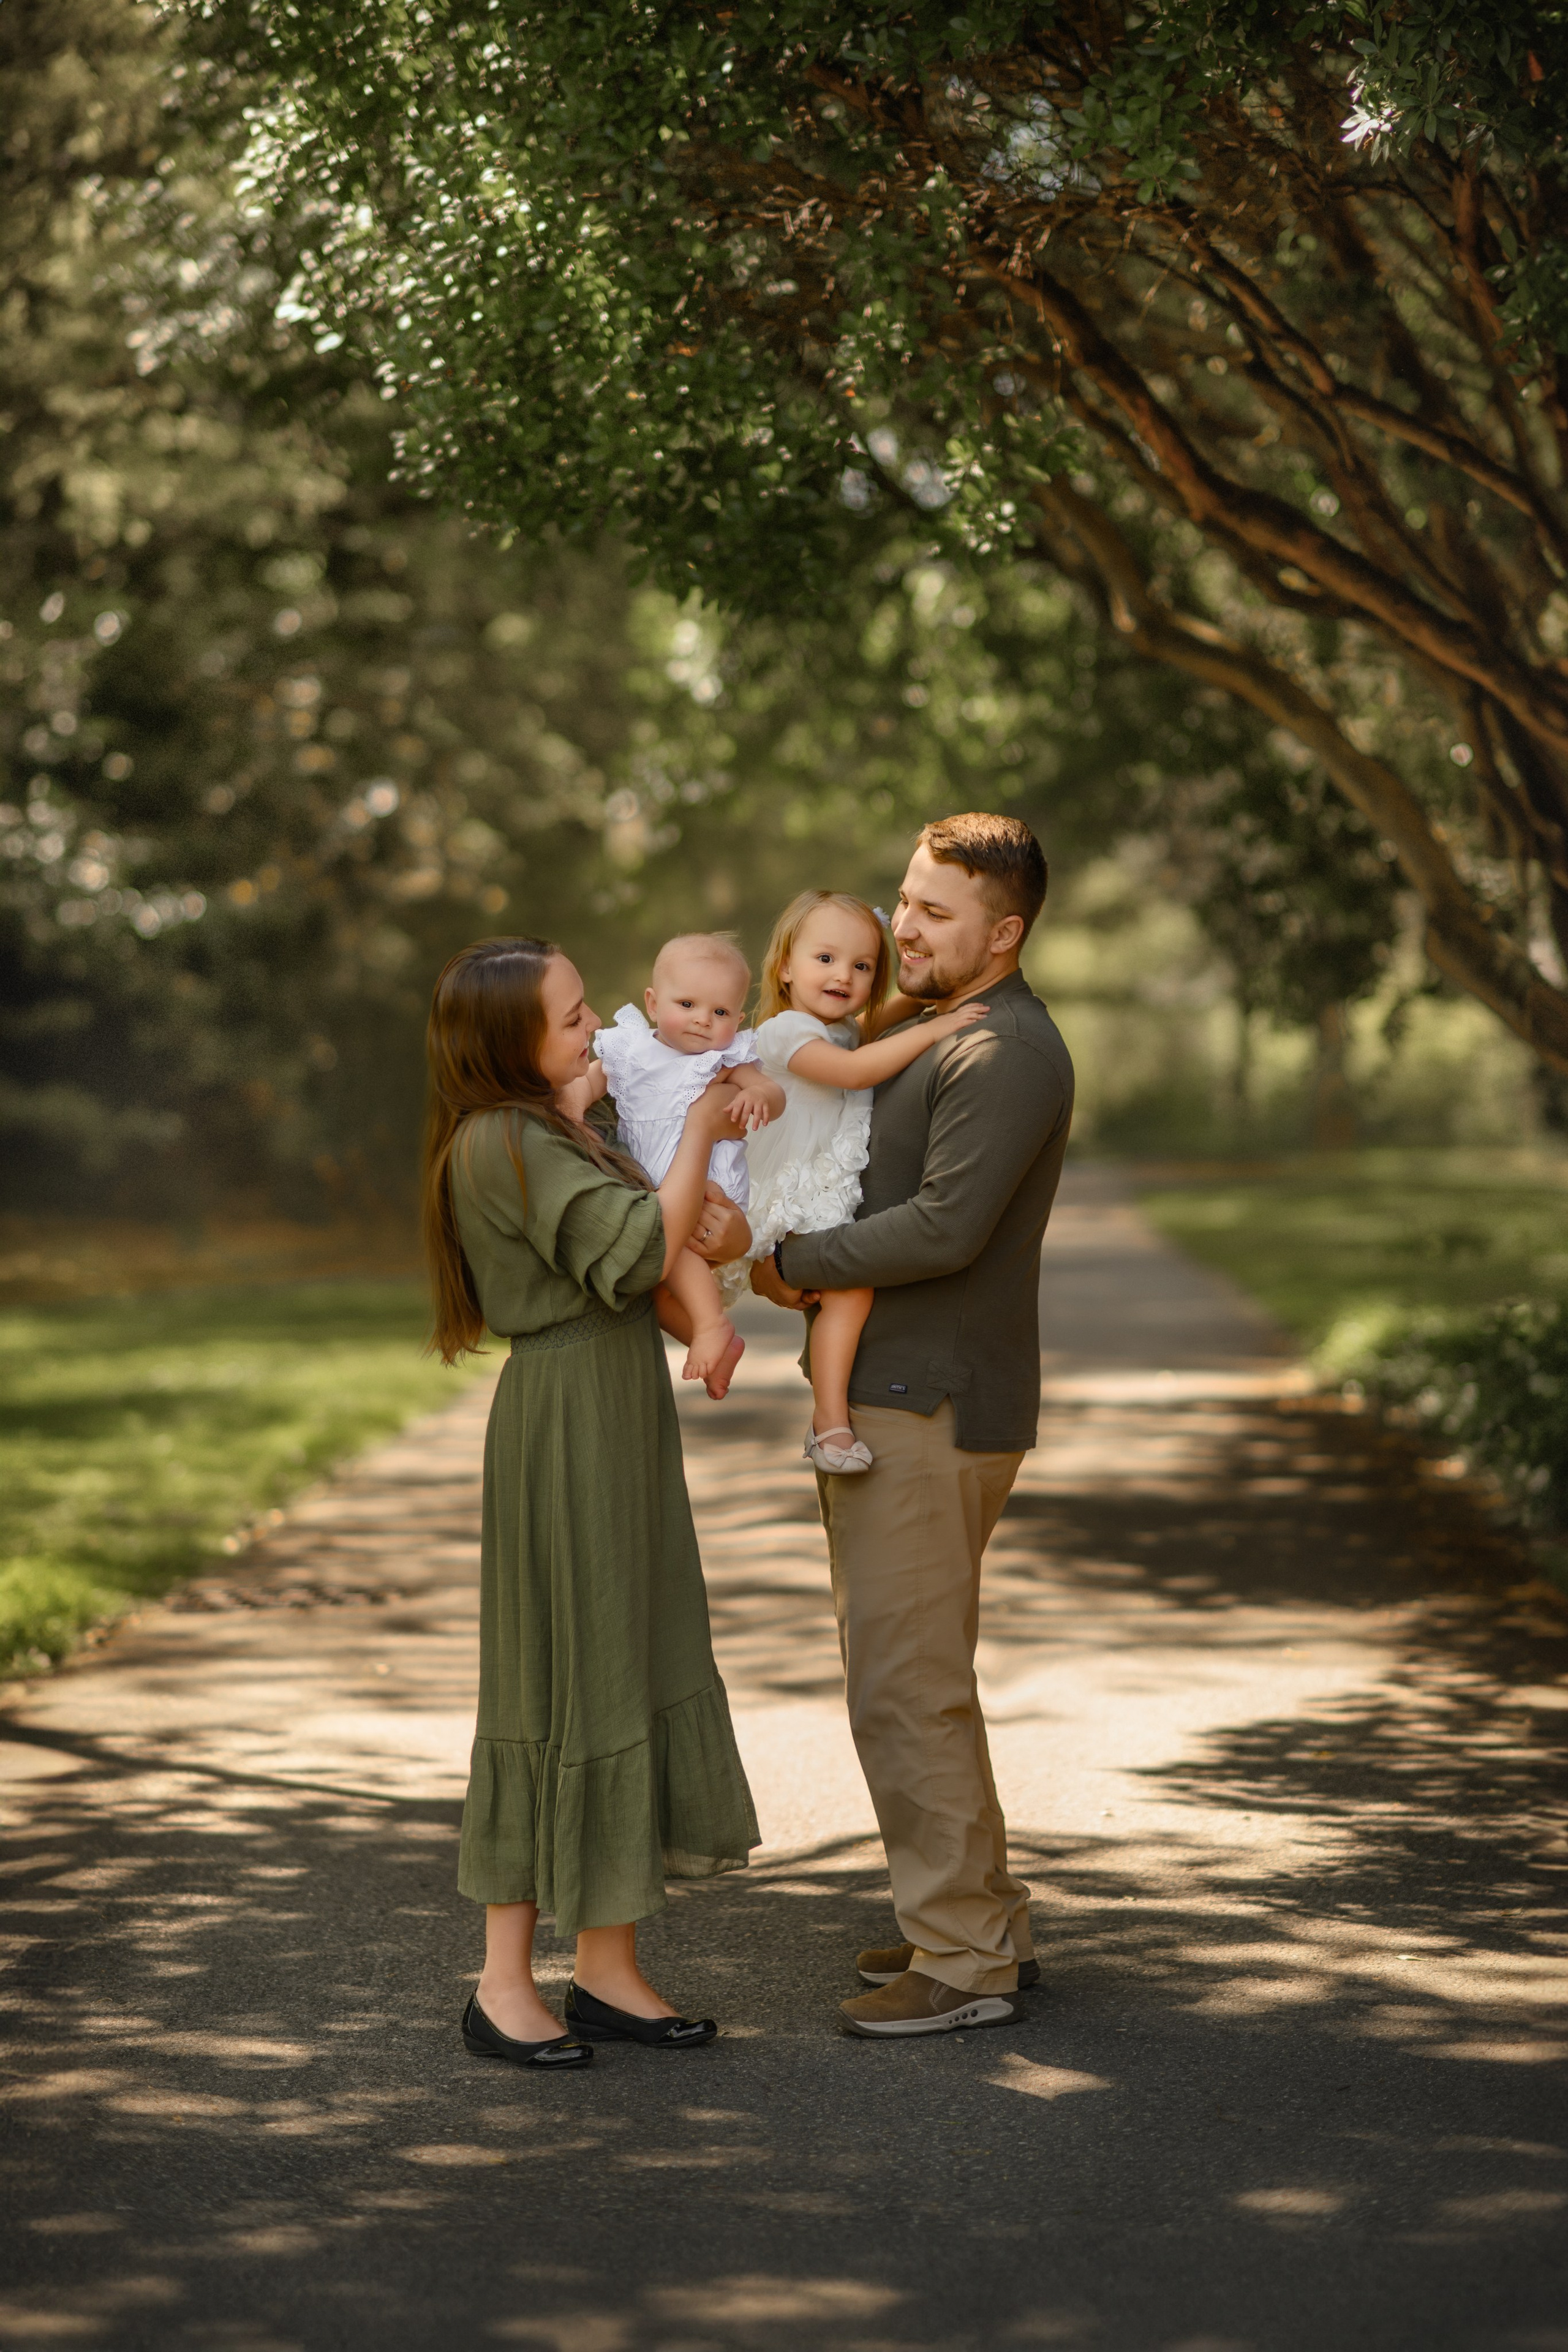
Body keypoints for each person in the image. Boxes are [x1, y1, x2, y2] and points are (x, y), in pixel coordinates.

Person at [754, 814, 1073, 2040]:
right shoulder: (926, 1033)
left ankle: (960, 1963)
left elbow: (944, 1229)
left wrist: (790, 1264)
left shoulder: (1005, 1053)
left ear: (1006, 931)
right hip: (903, 1395)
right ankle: (977, 1917)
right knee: (916, 1675)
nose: (903, 928)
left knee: (904, 1688)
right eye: (904, 900)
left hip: (926, 1403)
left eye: (935, 913)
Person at [423, 935, 760, 2069]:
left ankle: (607, 1969)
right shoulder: (498, 1142)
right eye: (571, 1019)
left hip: (615, 1410)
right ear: (511, 1043)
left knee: (624, 1657)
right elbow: (636, 1245)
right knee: (553, 1675)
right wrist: (703, 1125)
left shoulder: (555, 1129)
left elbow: (663, 1262)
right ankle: (504, 1984)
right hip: (566, 1414)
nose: (594, 1031)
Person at [743, 889, 989, 1472]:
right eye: (825, 959)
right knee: (852, 1292)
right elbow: (854, 1069)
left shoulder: (840, 1028)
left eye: (862, 966)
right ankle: (829, 1423)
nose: (844, 975)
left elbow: (871, 1022)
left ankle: (827, 1416)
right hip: (792, 1188)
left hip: (818, 1188)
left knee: (847, 1294)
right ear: (785, 967)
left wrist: (933, 994)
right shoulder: (784, 1033)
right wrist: (939, 1029)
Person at [575, 933, 782, 1400]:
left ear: (738, 1019)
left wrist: (757, 1095)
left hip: (702, 1188)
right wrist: (569, 1105)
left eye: (721, 1012)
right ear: (652, 1002)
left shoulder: (721, 1060)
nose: (703, 1021)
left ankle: (711, 1326)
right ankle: (713, 1343)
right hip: (649, 1189)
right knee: (657, 1292)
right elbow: (589, 1084)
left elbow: (772, 1092)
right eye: (687, 1003)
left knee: (677, 1254)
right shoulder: (628, 1049)